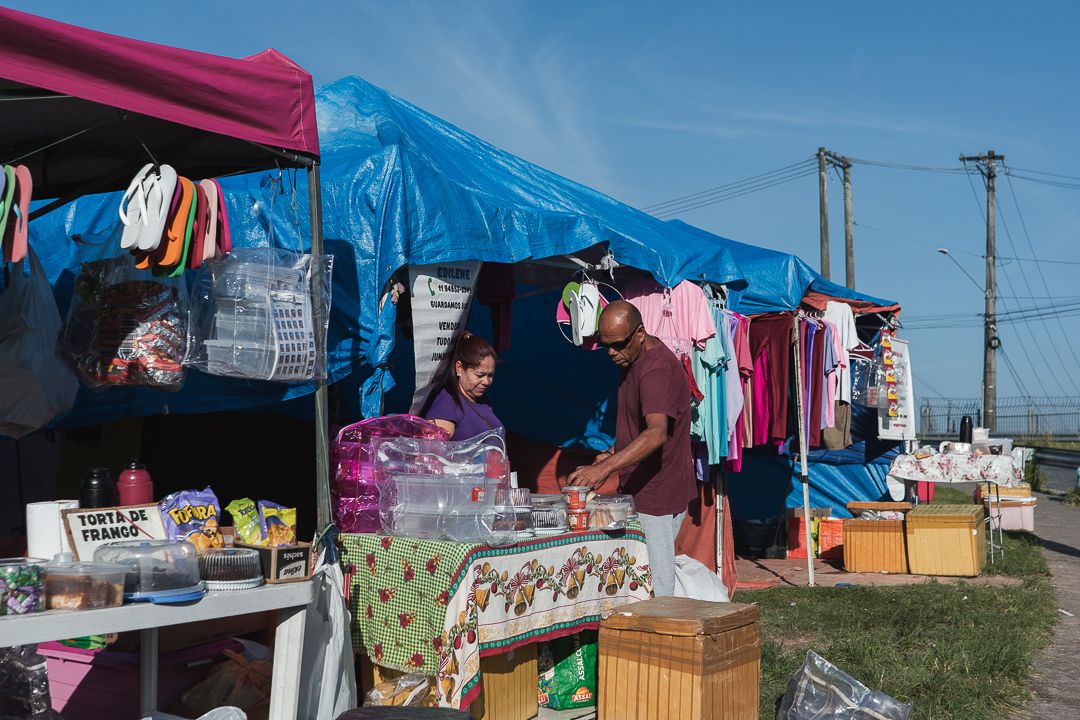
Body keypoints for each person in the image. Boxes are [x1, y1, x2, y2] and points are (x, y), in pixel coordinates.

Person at [568, 300, 695, 597]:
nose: (612, 352)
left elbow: (656, 433)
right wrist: (615, 452)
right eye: (605, 345)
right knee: (639, 576)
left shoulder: (656, 369)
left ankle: (665, 638)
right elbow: (639, 428)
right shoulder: (635, 359)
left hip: (658, 494)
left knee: (658, 585)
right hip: (642, 490)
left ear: (639, 333)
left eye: (618, 344)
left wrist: (604, 468)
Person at [425, 333, 504, 441]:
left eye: (490, 375)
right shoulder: (446, 403)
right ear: (459, 368)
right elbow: (433, 452)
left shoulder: (482, 399)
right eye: (479, 375)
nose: (486, 382)